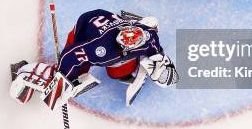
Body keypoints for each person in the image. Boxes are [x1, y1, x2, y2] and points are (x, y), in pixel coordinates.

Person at [9, 9, 178, 109]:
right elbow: (71, 54)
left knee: (118, 72)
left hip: (115, 23)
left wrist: (159, 65)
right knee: (76, 71)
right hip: (86, 26)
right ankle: (23, 71)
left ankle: (130, 23)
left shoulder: (149, 38)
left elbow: (153, 28)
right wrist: (62, 78)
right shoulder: (101, 48)